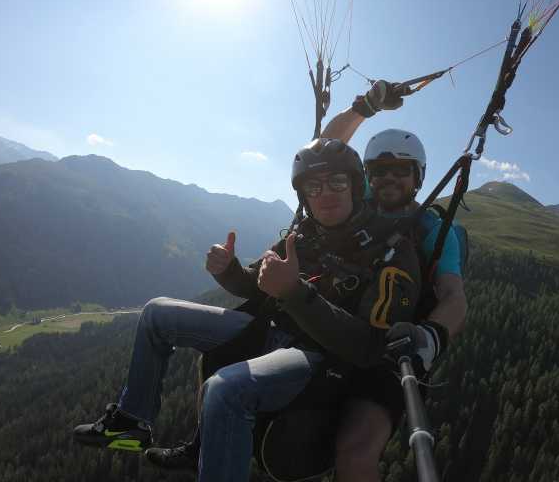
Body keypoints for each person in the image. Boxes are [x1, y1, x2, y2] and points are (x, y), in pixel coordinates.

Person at [73, 138, 421, 482]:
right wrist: (229, 270)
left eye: (337, 182)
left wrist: (295, 292)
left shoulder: (390, 249)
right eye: (313, 186)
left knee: (224, 388)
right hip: (268, 330)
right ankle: (132, 422)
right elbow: (256, 283)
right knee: (157, 313)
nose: (325, 192)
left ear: (355, 186)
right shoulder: (303, 234)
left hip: (318, 354)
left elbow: (371, 346)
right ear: (304, 196)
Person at [322, 82, 468, 482]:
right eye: (379, 171)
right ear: (366, 176)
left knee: (354, 454)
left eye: (400, 170)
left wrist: (429, 338)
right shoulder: (356, 207)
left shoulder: (433, 230)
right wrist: (364, 107)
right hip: (331, 333)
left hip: (392, 353)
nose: (388, 178)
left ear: (417, 177)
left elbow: (454, 295)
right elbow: (323, 150)